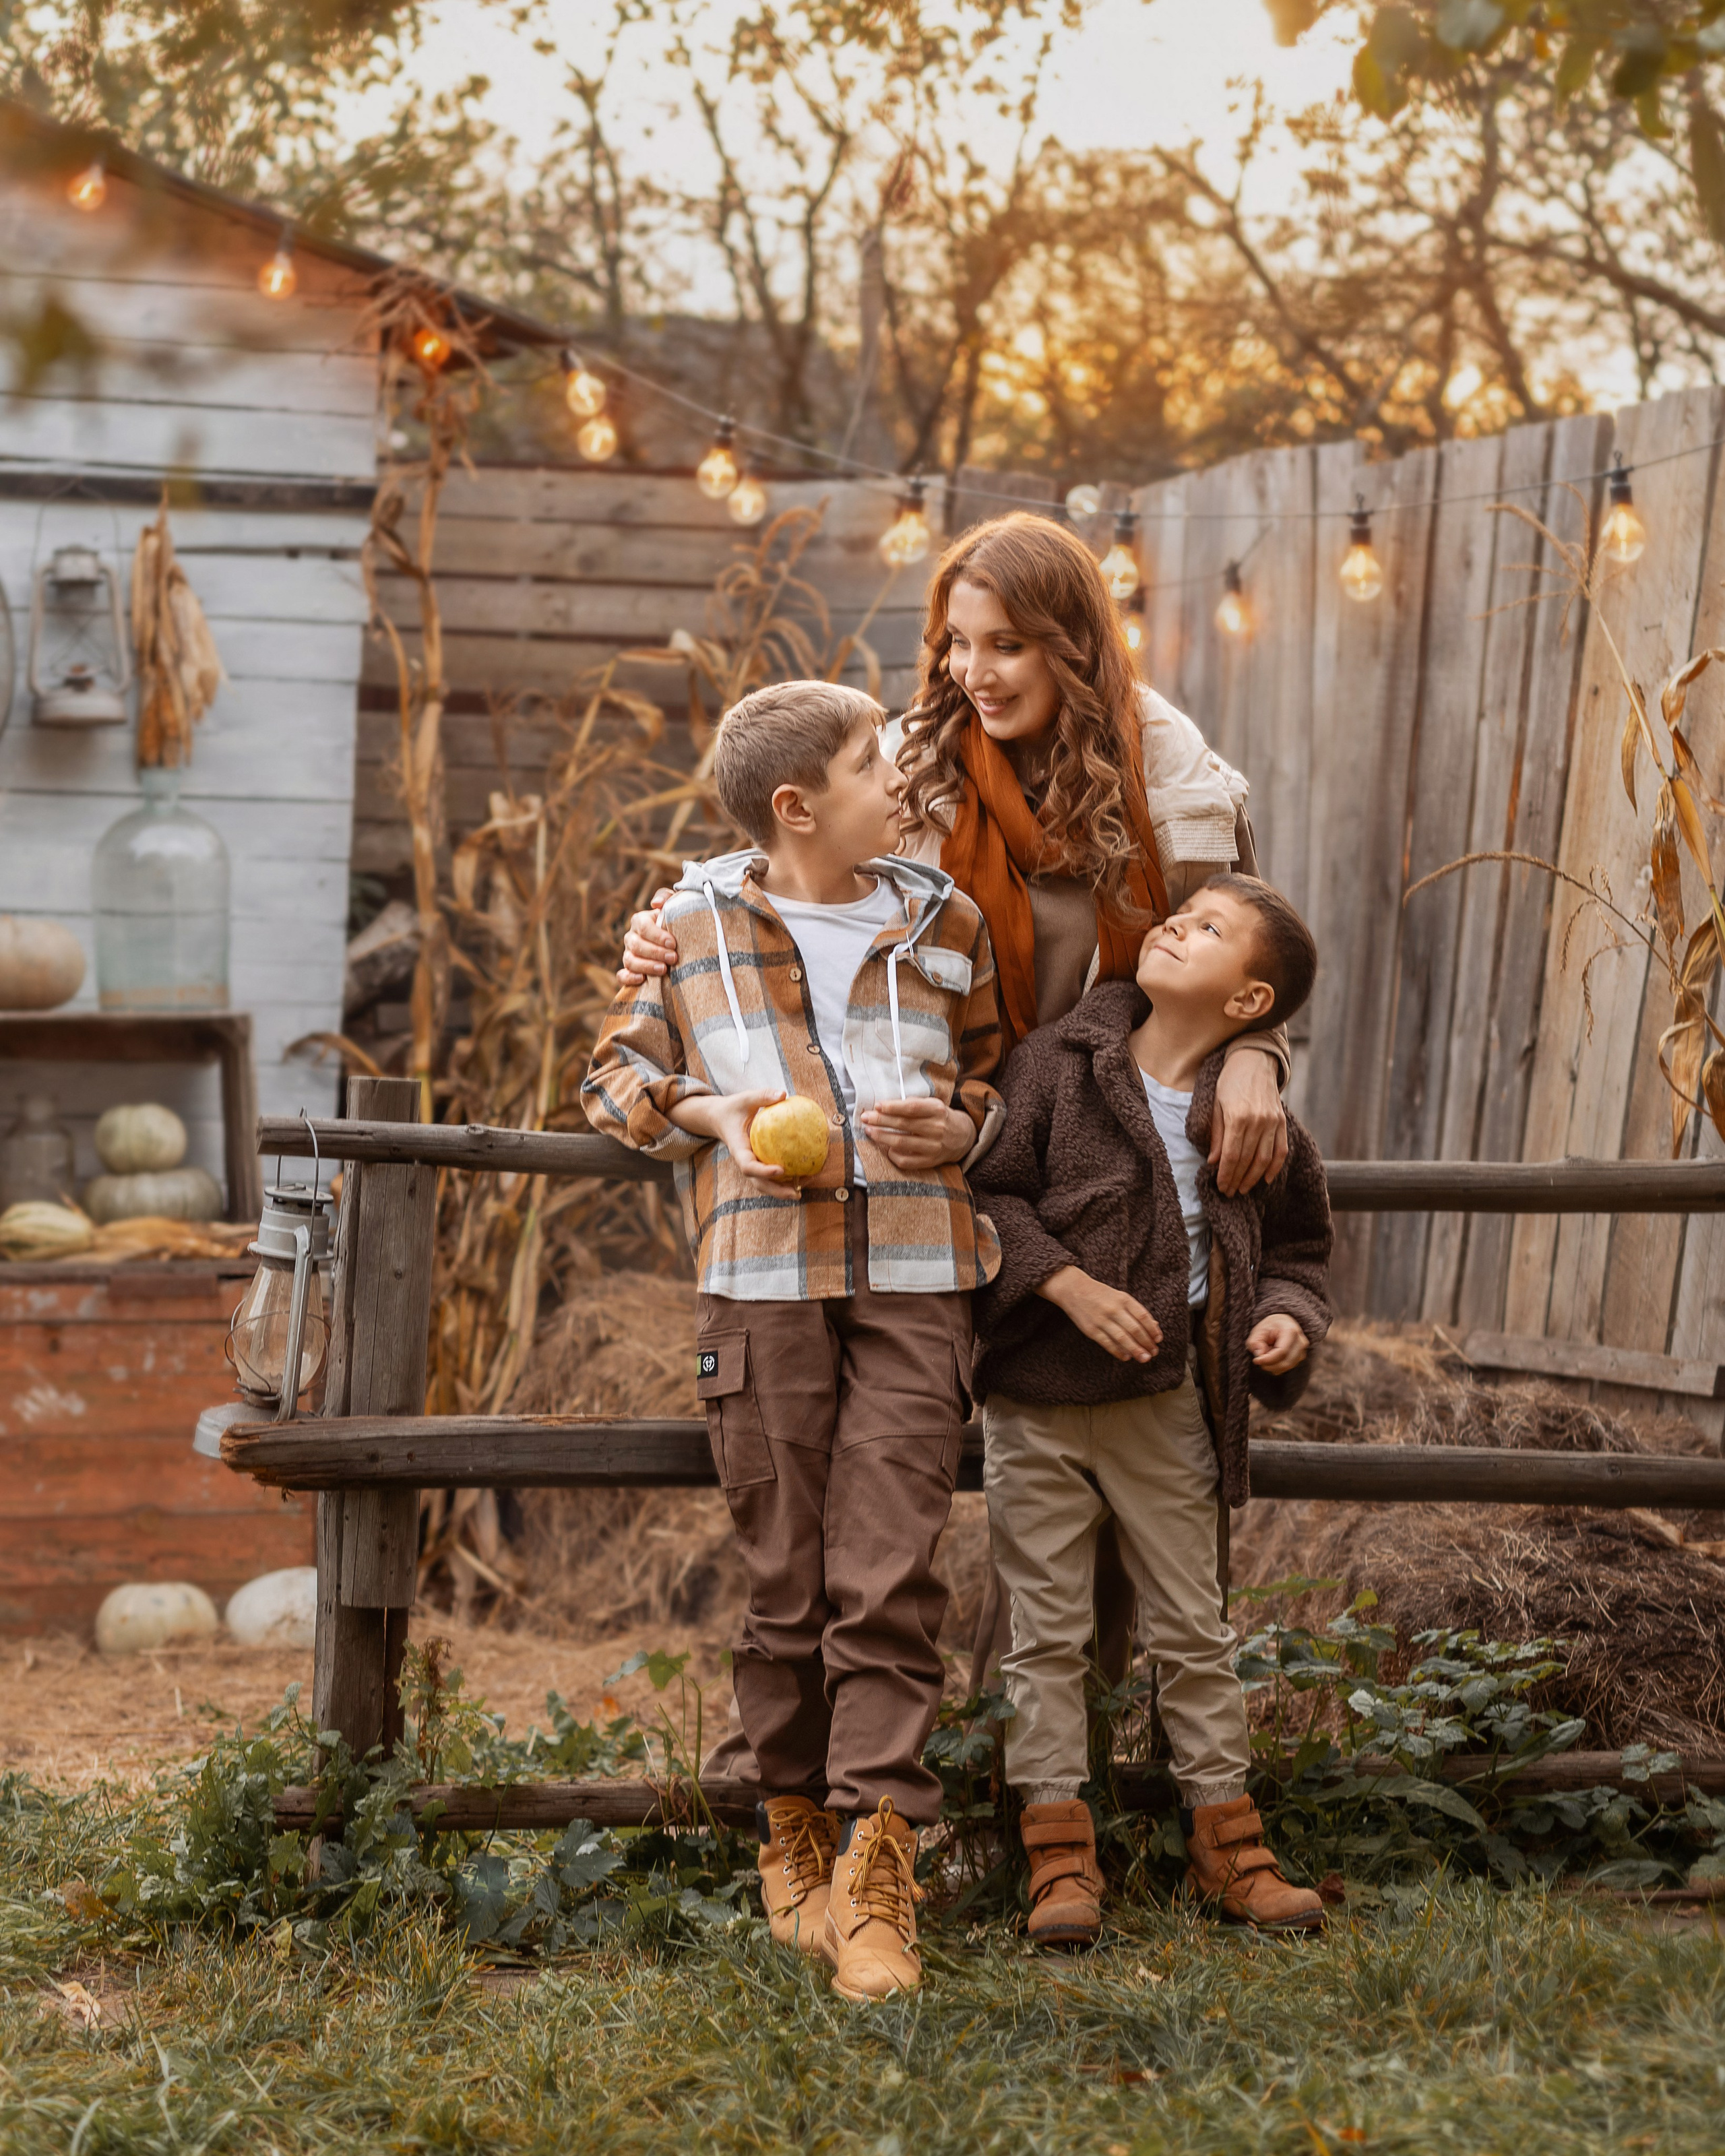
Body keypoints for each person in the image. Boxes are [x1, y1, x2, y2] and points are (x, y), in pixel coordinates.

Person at [621, 511, 1293, 1697]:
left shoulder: (1170, 773)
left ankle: (1102, 1783)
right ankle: (978, 1780)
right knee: (965, 1485)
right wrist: (676, 910)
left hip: (1105, 1144)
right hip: (945, 1148)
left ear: (1075, 648)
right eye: (957, 644)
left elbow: (1237, 949)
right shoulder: (919, 760)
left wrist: (1261, 1056)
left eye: (1009, 647)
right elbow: (797, 853)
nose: (973, 674)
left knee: (1124, 1471)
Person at [583, 680, 1003, 2002]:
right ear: (797, 803)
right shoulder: (694, 922)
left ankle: (881, 1876)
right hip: (762, 1282)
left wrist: (969, 1129)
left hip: (921, 1275)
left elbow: (989, 1071)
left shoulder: (947, 918)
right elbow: (606, 1077)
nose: (902, 778)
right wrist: (707, 1116)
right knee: (786, 1582)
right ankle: (792, 1837)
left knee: (889, 1578)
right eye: (874, 761)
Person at [968, 875, 1332, 1944]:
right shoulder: (1053, 1069)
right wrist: (1065, 1288)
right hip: (1038, 1403)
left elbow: (1302, 1250)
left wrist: (1285, 1319)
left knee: (1194, 1628)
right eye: (1179, 915)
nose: (1173, 926)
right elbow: (988, 1200)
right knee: (1045, 1636)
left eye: (1208, 928)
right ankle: (1057, 1857)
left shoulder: (1259, 1121)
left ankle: (1231, 1847)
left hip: (1174, 1408)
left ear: (1250, 1003)